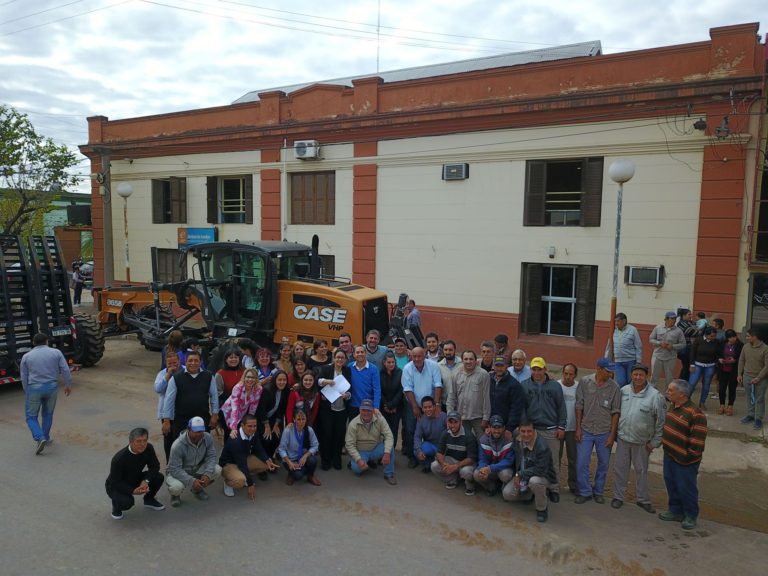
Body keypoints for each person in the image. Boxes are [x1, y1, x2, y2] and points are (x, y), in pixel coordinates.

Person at [611, 363, 666, 513]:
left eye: (641, 375)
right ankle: (618, 497)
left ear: (646, 376)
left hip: (642, 442)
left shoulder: (655, 396)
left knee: (641, 471)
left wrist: (655, 442)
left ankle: (643, 500)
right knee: (620, 469)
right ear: (631, 375)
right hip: (623, 439)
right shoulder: (623, 391)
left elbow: (661, 421)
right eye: (635, 374)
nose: (637, 377)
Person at [659, 379, 707, 530]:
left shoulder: (696, 414)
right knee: (671, 484)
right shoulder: (673, 406)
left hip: (685, 461)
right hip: (670, 455)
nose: (668, 393)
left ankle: (690, 515)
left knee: (686, 487)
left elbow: (698, 443)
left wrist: (687, 458)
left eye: (671, 391)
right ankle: (675, 511)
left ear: (682, 394)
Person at [574, 358, 621, 505]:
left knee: (603, 463)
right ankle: (585, 491)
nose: (610, 374)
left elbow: (616, 412)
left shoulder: (615, 388)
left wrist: (612, 435)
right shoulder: (584, 382)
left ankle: (599, 491)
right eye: (608, 371)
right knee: (582, 462)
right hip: (586, 429)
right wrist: (578, 428)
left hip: (604, 432)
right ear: (599, 369)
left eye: (612, 371)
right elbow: (579, 406)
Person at [519, 356, 565, 499]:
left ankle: (554, 489)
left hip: (551, 428)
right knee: (529, 459)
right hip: (532, 430)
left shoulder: (555, 386)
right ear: (530, 370)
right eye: (534, 369)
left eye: (539, 369)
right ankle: (530, 489)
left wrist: (561, 426)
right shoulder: (525, 385)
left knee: (553, 460)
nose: (537, 372)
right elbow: (523, 408)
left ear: (545, 369)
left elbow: (561, 407)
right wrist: (524, 428)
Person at [20, 332, 73, 454]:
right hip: (52, 387)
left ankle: (40, 437)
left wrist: (26, 390)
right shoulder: (56, 353)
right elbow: (65, 370)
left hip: (34, 388)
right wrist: (68, 385)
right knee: (47, 414)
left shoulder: (27, 356)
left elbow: (24, 376)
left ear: (33, 343)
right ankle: (46, 437)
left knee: (31, 417)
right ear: (47, 341)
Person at [505, 418, 558, 523]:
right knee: (507, 494)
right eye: (523, 431)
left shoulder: (542, 446)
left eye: (529, 431)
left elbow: (540, 470)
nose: (526, 434)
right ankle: (529, 495)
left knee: (535, 482)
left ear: (534, 431)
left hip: (543, 476)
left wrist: (519, 474)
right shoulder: (517, 438)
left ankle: (542, 509)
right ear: (518, 430)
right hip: (523, 475)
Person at [105, 427, 165, 520]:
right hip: (116, 484)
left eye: (145, 440)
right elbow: (115, 482)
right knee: (127, 503)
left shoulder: (148, 448)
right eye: (139, 441)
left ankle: (149, 499)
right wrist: (132, 491)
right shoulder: (119, 459)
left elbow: (155, 466)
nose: (143, 444)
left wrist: (145, 481)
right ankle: (116, 507)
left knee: (158, 477)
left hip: (135, 478)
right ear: (131, 442)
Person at [161, 350, 219, 446]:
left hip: (202, 418)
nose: (193, 363)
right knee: (181, 448)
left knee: (201, 447)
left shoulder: (208, 376)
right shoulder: (176, 378)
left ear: (200, 362)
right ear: (185, 362)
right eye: (190, 360)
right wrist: (166, 421)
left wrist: (214, 415)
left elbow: (214, 396)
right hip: (181, 420)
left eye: (196, 361)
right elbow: (168, 401)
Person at [165, 416, 221, 507]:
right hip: (179, 471)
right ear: (188, 429)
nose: (199, 434)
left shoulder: (207, 437)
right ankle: (175, 495)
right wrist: (191, 481)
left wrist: (207, 473)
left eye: (201, 431)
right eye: (196, 431)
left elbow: (211, 456)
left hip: (197, 467)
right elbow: (174, 469)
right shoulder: (177, 445)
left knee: (217, 470)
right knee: (176, 487)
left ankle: (197, 489)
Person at [401, 346, 443, 468]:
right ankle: (412, 456)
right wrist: (415, 407)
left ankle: (431, 455)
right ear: (411, 357)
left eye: (419, 356)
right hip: (412, 403)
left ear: (424, 356)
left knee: (432, 429)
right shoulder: (407, 368)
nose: (417, 359)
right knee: (410, 429)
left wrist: (436, 404)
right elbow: (407, 389)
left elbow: (437, 385)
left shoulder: (433, 366)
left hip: (430, 404)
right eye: (414, 356)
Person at [219, 414, 278, 499]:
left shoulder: (254, 433)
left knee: (267, 463)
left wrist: (267, 459)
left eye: (255, 426)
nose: (253, 429)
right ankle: (228, 481)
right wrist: (251, 484)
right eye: (249, 426)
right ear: (242, 425)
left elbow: (259, 448)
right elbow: (242, 463)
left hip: (243, 459)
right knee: (240, 481)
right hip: (229, 464)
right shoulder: (236, 440)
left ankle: (244, 474)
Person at [345, 399, 397, 485]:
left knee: (390, 448)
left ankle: (389, 474)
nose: (366, 413)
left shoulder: (380, 418)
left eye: (368, 410)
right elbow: (349, 445)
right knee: (358, 470)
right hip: (361, 451)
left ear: (373, 410)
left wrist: (387, 453)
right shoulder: (353, 424)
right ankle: (358, 461)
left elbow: (389, 436)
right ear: (359, 410)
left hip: (375, 448)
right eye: (363, 410)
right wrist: (358, 460)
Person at [317, 348, 352, 470]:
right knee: (326, 435)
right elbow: (318, 380)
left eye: (342, 358)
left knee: (339, 436)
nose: (340, 360)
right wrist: (326, 381)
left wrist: (347, 395)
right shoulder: (326, 369)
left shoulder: (347, 371)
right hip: (327, 408)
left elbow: (350, 389)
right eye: (338, 357)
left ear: (345, 360)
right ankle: (326, 461)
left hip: (341, 410)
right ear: (334, 358)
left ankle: (337, 459)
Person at [430, 411, 477, 495]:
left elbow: (472, 459)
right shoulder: (445, 434)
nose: (452, 425)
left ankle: (470, 485)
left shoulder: (469, 436)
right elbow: (439, 452)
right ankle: (453, 480)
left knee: (466, 472)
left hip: (466, 463)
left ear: (461, 422)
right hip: (452, 460)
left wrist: (456, 466)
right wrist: (444, 464)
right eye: (450, 422)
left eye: (455, 422)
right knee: (434, 465)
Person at [448, 350, 491, 438]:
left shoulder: (483, 375)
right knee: (463, 442)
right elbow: (451, 396)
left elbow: (486, 397)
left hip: (478, 417)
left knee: (482, 442)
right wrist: (450, 416)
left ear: (476, 360)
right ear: (462, 361)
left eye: (471, 359)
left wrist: (486, 418)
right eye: (466, 359)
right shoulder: (455, 375)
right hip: (461, 417)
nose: (468, 361)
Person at [473, 415, 515, 497]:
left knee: (506, 475)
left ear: (503, 428)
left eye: (499, 427)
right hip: (490, 468)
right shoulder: (483, 440)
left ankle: (504, 488)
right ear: (489, 427)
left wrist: (490, 468)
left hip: (503, 469)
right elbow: (482, 459)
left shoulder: (509, 440)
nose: (496, 430)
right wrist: (483, 468)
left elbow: (509, 461)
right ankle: (491, 487)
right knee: (477, 474)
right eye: (494, 427)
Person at [278, 408, 321, 486]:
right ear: (294, 419)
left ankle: (310, 476)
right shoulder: (288, 430)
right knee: (298, 476)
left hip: (303, 457)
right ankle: (291, 473)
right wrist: (289, 462)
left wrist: (305, 456)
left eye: (303, 419)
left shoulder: (309, 430)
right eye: (298, 419)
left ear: (306, 419)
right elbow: (281, 449)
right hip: (291, 459)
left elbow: (315, 445)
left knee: (312, 461)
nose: (301, 422)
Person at [737, 327, 768, 430]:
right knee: (749, 397)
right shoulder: (746, 347)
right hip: (747, 376)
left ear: (755, 337)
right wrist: (739, 374)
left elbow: (767, 366)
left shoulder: (765, 349)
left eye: (748, 336)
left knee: (759, 398)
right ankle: (750, 415)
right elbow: (741, 360)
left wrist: (758, 378)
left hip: (761, 378)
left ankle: (758, 418)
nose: (746, 338)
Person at [257, 369, 290, 462]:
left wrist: (276, 424)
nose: (282, 382)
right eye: (279, 380)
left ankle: (271, 457)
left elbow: (282, 408)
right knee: (267, 438)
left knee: (277, 437)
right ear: (275, 380)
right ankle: (263, 461)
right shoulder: (267, 390)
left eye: (284, 380)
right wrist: (266, 425)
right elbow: (261, 409)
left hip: (274, 419)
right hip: (261, 419)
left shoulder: (286, 390)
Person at [154, 351, 182, 461]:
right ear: (166, 363)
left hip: (181, 411)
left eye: (175, 363)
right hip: (166, 413)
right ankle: (169, 463)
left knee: (180, 439)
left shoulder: (185, 370)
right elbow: (157, 389)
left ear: (179, 361)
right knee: (168, 439)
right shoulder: (162, 374)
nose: (172, 366)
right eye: (169, 364)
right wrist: (167, 376)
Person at [649, 311, 686, 391]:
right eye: (672, 318)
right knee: (654, 376)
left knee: (669, 378)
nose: (674, 320)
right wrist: (659, 343)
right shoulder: (658, 328)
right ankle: (652, 393)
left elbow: (683, 344)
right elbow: (651, 339)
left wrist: (672, 346)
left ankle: (668, 395)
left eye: (675, 318)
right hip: (657, 356)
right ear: (665, 319)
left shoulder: (678, 331)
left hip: (670, 357)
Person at [489, 355, 526, 433]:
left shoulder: (514, 385)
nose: (499, 368)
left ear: (507, 366)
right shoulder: (488, 379)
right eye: (497, 365)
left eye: (502, 365)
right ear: (493, 366)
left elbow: (516, 409)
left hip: (505, 427)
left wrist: (509, 428)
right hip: (489, 426)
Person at [557, 363, 579, 494]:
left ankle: (573, 485)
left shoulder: (579, 388)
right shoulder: (557, 386)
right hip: (558, 429)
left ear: (575, 375)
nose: (568, 376)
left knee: (573, 459)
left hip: (573, 429)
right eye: (566, 373)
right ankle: (554, 484)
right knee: (556, 458)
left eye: (571, 374)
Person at [221, 368, 263, 435]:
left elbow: (253, 407)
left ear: (256, 379)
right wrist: (233, 427)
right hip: (228, 411)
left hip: (241, 413)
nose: (250, 379)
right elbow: (235, 408)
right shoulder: (237, 388)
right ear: (244, 377)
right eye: (248, 377)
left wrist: (250, 422)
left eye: (253, 377)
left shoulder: (258, 389)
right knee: (230, 435)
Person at [688, 326, 721, 410]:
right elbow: (692, 353)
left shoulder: (717, 342)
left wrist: (717, 363)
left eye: (714, 336)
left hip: (710, 366)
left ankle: (702, 402)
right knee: (692, 383)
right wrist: (692, 364)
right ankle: (686, 400)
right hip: (697, 365)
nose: (713, 337)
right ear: (706, 335)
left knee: (706, 385)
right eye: (712, 336)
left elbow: (718, 354)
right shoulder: (698, 340)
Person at [214, 347, 245, 435]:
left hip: (243, 408)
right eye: (231, 357)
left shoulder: (244, 372)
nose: (233, 359)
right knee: (229, 435)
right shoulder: (220, 374)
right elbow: (218, 393)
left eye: (236, 357)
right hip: (227, 409)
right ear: (226, 359)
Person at [412, 395, 447, 472]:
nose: (428, 409)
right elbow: (417, 437)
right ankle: (428, 464)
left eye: (430, 407)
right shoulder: (421, 420)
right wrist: (419, 451)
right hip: (432, 446)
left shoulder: (443, 416)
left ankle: (438, 461)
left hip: (444, 447)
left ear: (434, 406)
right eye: (425, 407)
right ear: (422, 408)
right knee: (417, 450)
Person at [608, 313, 643, 387]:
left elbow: (638, 346)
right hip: (618, 361)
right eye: (615, 321)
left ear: (624, 321)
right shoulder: (614, 330)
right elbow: (609, 345)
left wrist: (638, 361)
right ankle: (622, 397)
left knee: (631, 381)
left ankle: (630, 397)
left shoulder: (633, 330)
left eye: (618, 321)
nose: (616, 323)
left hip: (631, 361)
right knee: (621, 381)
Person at [348, 344, 381, 420]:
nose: (360, 354)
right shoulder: (349, 367)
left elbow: (377, 389)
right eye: (357, 352)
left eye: (362, 352)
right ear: (354, 354)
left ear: (366, 354)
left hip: (368, 406)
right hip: (353, 406)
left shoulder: (373, 369)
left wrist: (376, 407)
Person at [380, 352, 404, 451]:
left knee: (393, 430)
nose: (391, 364)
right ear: (384, 363)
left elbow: (401, 390)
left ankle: (391, 452)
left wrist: (393, 405)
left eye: (393, 362)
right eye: (388, 362)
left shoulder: (400, 373)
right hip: (383, 407)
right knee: (384, 431)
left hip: (396, 408)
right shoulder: (380, 373)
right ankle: (383, 451)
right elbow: (379, 390)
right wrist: (386, 405)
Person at [717, 329, 743, 415]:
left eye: (734, 337)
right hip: (723, 369)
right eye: (730, 337)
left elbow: (742, 358)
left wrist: (735, 360)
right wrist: (719, 359)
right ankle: (722, 405)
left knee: (732, 389)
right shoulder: (722, 344)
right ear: (727, 338)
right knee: (722, 388)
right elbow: (717, 354)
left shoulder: (740, 345)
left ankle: (730, 406)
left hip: (733, 370)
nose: (733, 339)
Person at [437, 340, 461, 411]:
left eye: (450, 350)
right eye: (446, 350)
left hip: (460, 403)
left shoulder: (462, 364)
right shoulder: (438, 366)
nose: (448, 352)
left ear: (455, 350)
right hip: (444, 403)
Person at [676, 308, 699, 381]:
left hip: (693, 348)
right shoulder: (681, 323)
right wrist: (698, 330)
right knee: (686, 366)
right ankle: (682, 381)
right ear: (683, 315)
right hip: (685, 348)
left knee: (689, 365)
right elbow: (692, 332)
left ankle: (685, 382)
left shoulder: (692, 323)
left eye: (691, 314)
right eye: (689, 314)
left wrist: (697, 330)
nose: (691, 316)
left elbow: (697, 330)